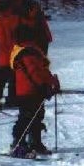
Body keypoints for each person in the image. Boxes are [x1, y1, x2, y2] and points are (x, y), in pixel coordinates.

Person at [9, 24, 60, 157]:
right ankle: (18, 143)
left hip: (33, 91)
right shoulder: (27, 52)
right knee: (27, 117)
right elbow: (34, 72)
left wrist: (52, 82)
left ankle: (35, 142)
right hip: (28, 91)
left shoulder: (32, 51)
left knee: (37, 117)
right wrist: (43, 86)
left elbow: (43, 71)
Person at [0, 0, 21, 110]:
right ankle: (12, 100)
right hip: (14, 51)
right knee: (13, 77)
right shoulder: (15, 16)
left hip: (0, 53)